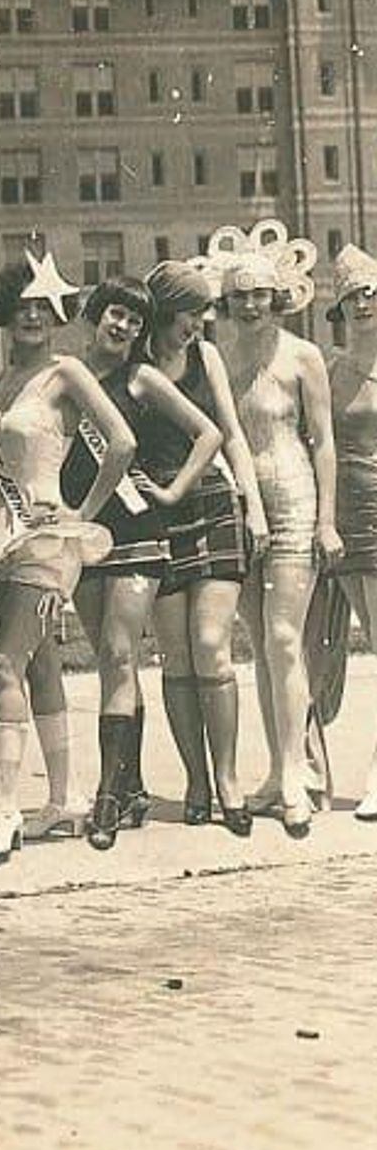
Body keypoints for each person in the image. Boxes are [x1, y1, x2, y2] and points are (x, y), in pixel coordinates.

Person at [0, 251, 131, 865]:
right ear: (4, 313)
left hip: (48, 539)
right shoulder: (0, 380)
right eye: (22, 308)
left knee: (4, 663)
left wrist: (80, 510)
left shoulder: (65, 372)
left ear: (59, 313)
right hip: (3, 536)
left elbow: (121, 441)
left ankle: (3, 807)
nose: (33, 317)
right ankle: (63, 800)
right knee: (39, 666)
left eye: (44, 307)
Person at [62, 276, 223, 848]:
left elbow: (208, 433)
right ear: (95, 315)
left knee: (118, 652)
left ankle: (107, 797)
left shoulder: (142, 378)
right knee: (112, 665)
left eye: (134, 320)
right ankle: (130, 787)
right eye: (115, 314)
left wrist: (174, 491)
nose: (123, 327)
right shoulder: (69, 376)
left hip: (137, 531)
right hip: (85, 532)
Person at [218, 239, 339, 837]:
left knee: (285, 638)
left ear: (278, 297)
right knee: (260, 644)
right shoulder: (218, 358)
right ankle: (275, 768)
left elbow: (325, 441)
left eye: (260, 295)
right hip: (242, 509)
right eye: (239, 296)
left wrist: (327, 521)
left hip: (294, 499)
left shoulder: (303, 356)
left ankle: (297, 774)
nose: (250, 306)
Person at [143, 260, 266, 835]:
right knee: (177, 655)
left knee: (212, 645)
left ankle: (228, 779)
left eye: (202, 314)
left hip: (214, 502)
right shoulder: (134, 362)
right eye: (189, 314)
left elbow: (231, 434)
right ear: (164, 311)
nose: (197, 325)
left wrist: (253, 504)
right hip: (157, 511)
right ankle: (196, 781)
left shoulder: (206, 357)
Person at [324, 246, 377, 820]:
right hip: (345, 517)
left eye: (371, 293)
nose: (363, 304)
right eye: (352, 297)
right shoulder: (332, 370)